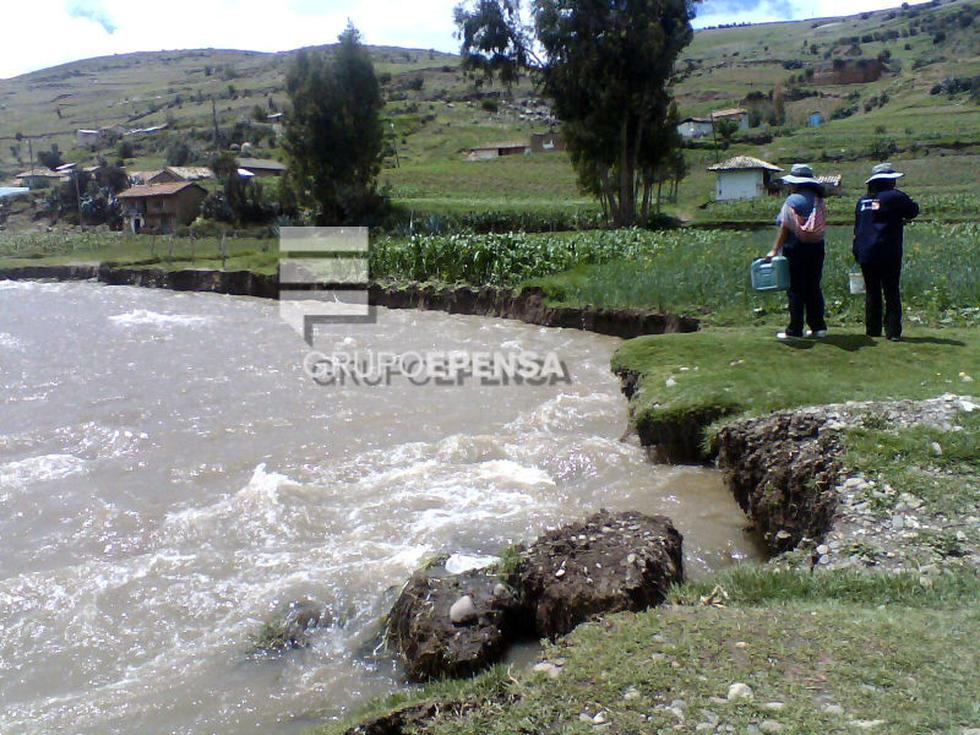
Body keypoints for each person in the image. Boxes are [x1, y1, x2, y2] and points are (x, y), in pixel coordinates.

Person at [852, 162, 919, 341]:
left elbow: (859, 227)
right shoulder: (895, 197)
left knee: (872, 292)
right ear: (890, 181)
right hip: (888, 251)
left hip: (865, 251)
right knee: (891, 290)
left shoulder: (863, 201)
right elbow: (913, 211)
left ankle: (873, 330)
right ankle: (893, 331)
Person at [767, 163, 829, 340]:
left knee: (795, 289)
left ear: (795, 184)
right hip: (817, 247)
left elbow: (785, 228)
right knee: (813, 286)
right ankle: (818, 327)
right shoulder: (819, 200)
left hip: (796, 247)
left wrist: (774, 250)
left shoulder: (793, 201)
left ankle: (795, 328)